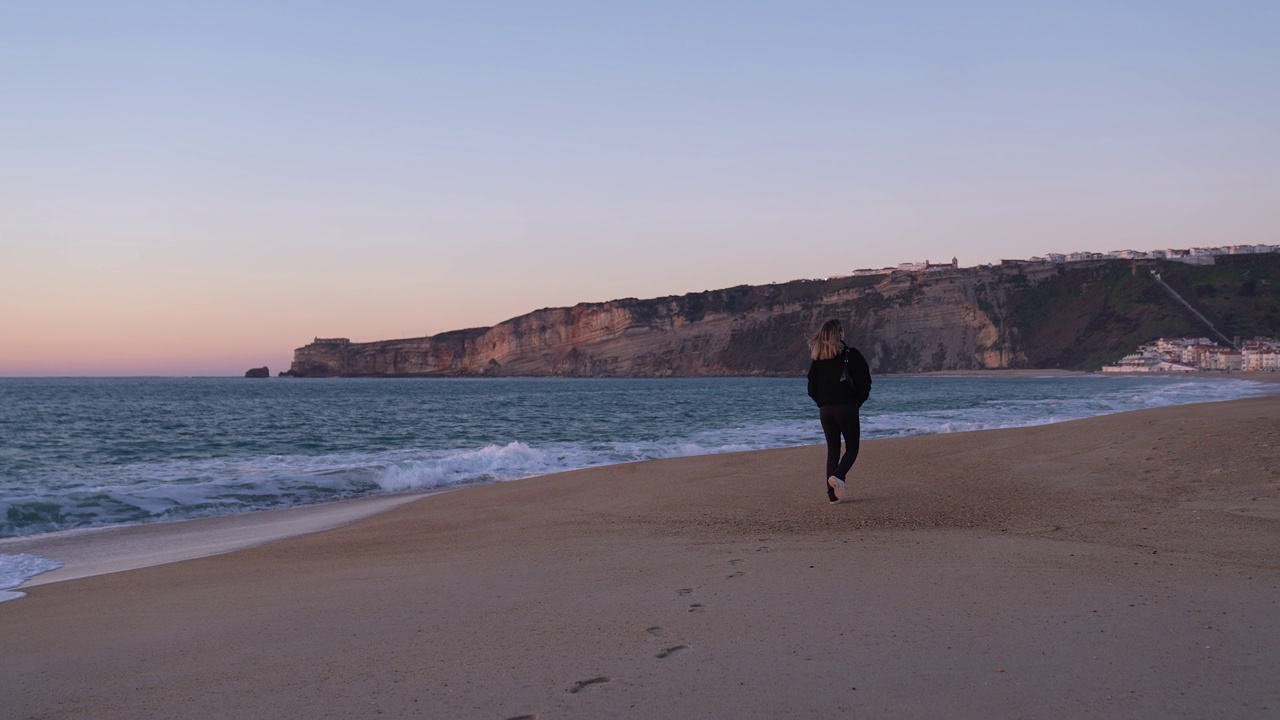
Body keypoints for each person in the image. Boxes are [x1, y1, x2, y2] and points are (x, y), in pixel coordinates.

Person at [806, 319, 871, 504]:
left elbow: (811, 389)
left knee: (833, 450)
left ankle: (832, 496)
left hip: (825, 411)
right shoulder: (851, 355)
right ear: (839, 333)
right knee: (852, 448)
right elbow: (865, 382)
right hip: (847, 408)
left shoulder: (817, 361)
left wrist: (822, 403)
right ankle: (838, 476)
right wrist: (857, 401)